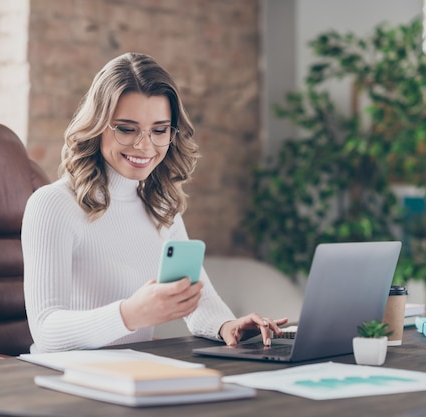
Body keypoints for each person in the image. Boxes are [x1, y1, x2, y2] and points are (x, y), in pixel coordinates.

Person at [22, 52, 288, 354]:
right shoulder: (52, 204)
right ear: (97, 126)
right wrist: (130, 315)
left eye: (159, 130)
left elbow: (196, 299)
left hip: (131, 371)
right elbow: (45, 330)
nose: (144, 145)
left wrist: (228, 326)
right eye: (126, 128)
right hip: (66, 379)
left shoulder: (161, 206)